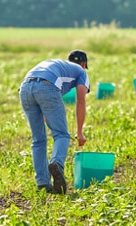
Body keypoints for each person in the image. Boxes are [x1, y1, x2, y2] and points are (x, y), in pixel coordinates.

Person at [19, 50, 89, 194]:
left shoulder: (57, 65)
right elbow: (81, 100)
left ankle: (43, 183)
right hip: (47, 86)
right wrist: (80, 132)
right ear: (83, 64)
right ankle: (56, 163)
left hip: (25, 87)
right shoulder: (81, 72)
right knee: (62, 134)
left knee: (38, 139)